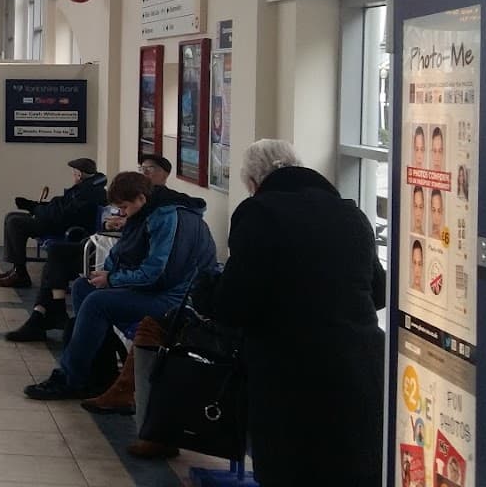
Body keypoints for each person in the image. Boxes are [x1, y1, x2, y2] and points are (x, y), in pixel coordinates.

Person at [196, 139, 385, 487]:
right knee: (353, 467)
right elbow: (379, 290)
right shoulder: (351, 213)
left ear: (253, 182)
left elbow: (235, 303)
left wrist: (206, 294)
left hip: (289, 369)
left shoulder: (259, 213)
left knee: (290, 466)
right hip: (359, 363)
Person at [24, 170, 216, 401]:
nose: (123, 213)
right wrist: (107, 273)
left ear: (141, 199)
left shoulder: (169, 219)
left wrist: (113, 280)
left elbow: (159, 274)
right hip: (158, 290)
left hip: (177, 299)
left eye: (124, 207)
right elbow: (121, 252)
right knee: (84, 288)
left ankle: (70, 378)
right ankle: (98, 372)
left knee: (97, 303)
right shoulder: (146, 212)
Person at [0, 159, 110, 329]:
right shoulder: (86, 189)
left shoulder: (88, 193)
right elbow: (60, 207)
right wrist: (36, 206)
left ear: (79, 174)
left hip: (63, 228)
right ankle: (17, 269)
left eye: (74, 173)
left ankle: (21, 274)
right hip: (57, 222)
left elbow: (63, 215)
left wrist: (35, 208)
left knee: (15, 222)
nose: (73, 176)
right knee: (11, 217)